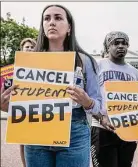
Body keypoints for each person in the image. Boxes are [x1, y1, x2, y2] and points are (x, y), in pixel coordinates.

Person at [1, 4, 102, 167]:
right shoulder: (27, 61)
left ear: (69, 27)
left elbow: (99, 106)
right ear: (42, 26)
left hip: (74, 134)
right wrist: (5, 106)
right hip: (35, 134)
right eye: (47, 18)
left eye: (58, 18)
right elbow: (21, 104)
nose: (51, 22)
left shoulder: (85, 61)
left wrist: (87, 101)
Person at [91, 31, 138, 167]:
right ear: (108, 46)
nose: (121, 46)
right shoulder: (97, 65)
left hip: (127, 129)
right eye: (116, 43)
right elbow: (88, 97)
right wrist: (101, 118)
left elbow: (137, 101)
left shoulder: (134, 72)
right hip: (102, 127)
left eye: (124, 43)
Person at [19, 37, 37, 167]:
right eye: (27, 47)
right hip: (21, 108)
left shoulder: (40, 65)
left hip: (36, 108)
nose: (29, 49)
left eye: (32, 47)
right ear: (22, 49)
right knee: (21, 139)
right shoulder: (15, 67)